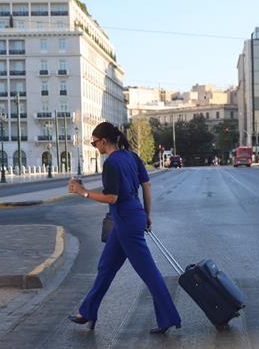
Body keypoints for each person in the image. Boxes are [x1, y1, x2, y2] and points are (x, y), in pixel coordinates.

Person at [67, 122, 181, 334]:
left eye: (94, 143)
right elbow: (146, 186)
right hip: (131, 218)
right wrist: (147, 214)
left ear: (103, 141)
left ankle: (168, 318)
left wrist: (82, 192)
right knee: (106, 268)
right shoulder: (132, 156)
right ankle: (88, 311)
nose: (94, 147)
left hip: (126, 221)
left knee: (149, 273)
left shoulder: (111, 163)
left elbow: (112, 197)